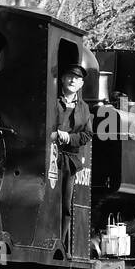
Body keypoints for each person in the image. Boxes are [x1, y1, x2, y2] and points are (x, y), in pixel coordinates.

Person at [53, 63, 92, 253]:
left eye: (77, 78)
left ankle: (61, 242)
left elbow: (87, 134)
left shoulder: (84, 109)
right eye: (69, 76)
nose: (72, 80)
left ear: (81, 84)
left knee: (66, 204)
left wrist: (69, 137)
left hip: (69, 159)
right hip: (51, 155)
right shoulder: (52, 100)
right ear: (62, 79)